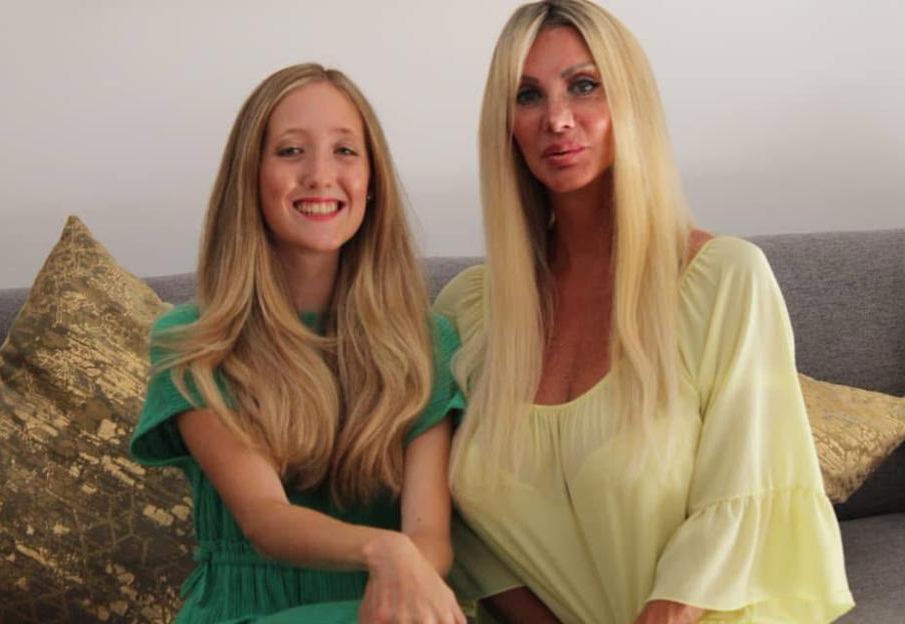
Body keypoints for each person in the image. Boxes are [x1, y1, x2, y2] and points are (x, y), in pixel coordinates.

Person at [435, 1, 854, 622]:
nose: (556, 119)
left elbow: (745, 498)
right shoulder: (469, 312)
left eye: (584, 86)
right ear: (506, 125)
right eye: (527, 95)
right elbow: (463, 534)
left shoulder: (723, 282)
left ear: (631, 102)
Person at [130, 63, 466, 624]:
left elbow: (429, 536)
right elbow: (266, 520)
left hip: (386, 610)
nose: (319, 174)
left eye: (344, 151)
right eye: (290, 151)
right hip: (246, 612)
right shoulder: (195, 343)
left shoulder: (426, 343)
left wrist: (405, 566)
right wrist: (385, 549)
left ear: (372, 180)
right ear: (250, 177)